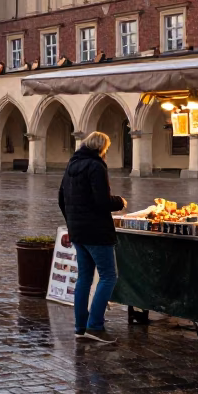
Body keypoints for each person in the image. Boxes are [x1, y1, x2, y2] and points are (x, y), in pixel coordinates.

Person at [58, 131, 127, 344]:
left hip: (78, 232)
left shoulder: (71, 165)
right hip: (97, 232)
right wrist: (120, 202)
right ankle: (95, 326)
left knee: (84, 278)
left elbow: (61, 198)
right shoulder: (96, 166)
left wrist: (72, 223)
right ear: (101, 148)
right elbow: (102, 201)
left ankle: (81, 327)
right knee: (108, 276)